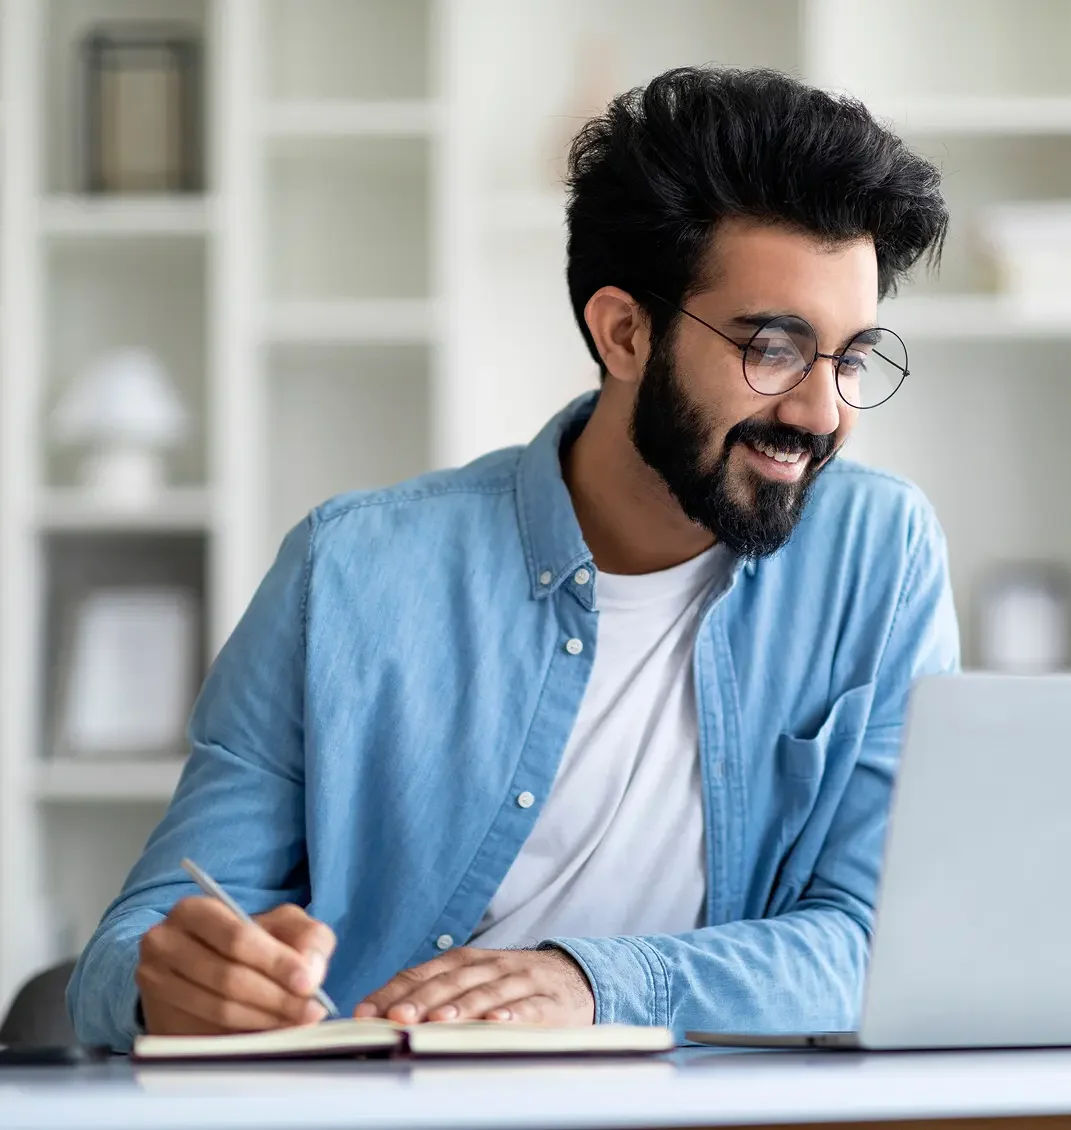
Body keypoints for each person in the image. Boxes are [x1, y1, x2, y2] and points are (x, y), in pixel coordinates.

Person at [67, 65, 958, 1050]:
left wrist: (589, 980)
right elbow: (135, 942)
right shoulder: (349, 570)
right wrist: (172, 985)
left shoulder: (877, 554)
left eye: (852, 358)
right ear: (622, 331)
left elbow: (883, 945)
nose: (823, 412)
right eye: (773, 350)